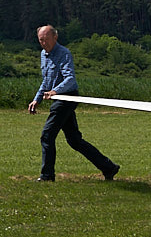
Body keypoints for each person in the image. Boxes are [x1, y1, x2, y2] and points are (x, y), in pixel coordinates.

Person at [27, 25, 119, 182]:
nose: (43, 43)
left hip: (67, 97)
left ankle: (47, 176)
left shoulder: (64, 53)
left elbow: (70, 79)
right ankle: (109, 167)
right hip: (57, 99)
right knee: (74, 140)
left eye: (46, 39)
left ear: (55, 38)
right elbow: (46, 81)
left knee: (47, 135)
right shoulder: (43, 55)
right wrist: (37, 99)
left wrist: (56, 91)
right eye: (40, 40)